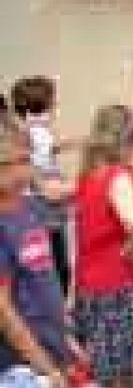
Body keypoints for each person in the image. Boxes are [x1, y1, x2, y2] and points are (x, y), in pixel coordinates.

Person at [71, 105, 133, 388]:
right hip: (123, 286)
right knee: (125, 367)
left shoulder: (86, 177)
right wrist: (131, 252)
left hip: (91, 285)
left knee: (107, 366)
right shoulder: (119, 177)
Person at [0, 118, 81, 388]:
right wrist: (44, 365)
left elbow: (45, 280)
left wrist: (65, 337)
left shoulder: (30, 208)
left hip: (52, 346)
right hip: (19, 364)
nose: (23, 171)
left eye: (26, 160)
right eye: (11, 163)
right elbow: (4, 309)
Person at [10, 76, 72, 293]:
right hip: (41, 210)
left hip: (44, 209)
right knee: (55, 267)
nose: (55, 107)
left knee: (56, 265)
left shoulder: (36, 130)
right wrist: (81, 185)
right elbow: (43, 186)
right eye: (52, 104)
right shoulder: (33, 134)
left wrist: (76, 143)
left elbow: (48, 150)